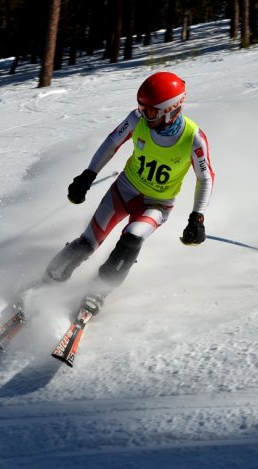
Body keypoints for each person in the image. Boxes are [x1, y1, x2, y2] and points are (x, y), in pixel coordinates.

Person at [44, 71, 215, 318]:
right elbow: (112, 143)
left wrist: (197, 217)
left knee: (131, 240)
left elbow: (205, 177)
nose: (144, 115)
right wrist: (87, 176)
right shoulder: (137, 119)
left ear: (171, 110)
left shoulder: (193, 139)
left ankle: (98, 292)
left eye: (151, 112)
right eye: (141, 108)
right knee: (87, 242)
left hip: (156, 205)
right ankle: (48, 279)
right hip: (123, 191)